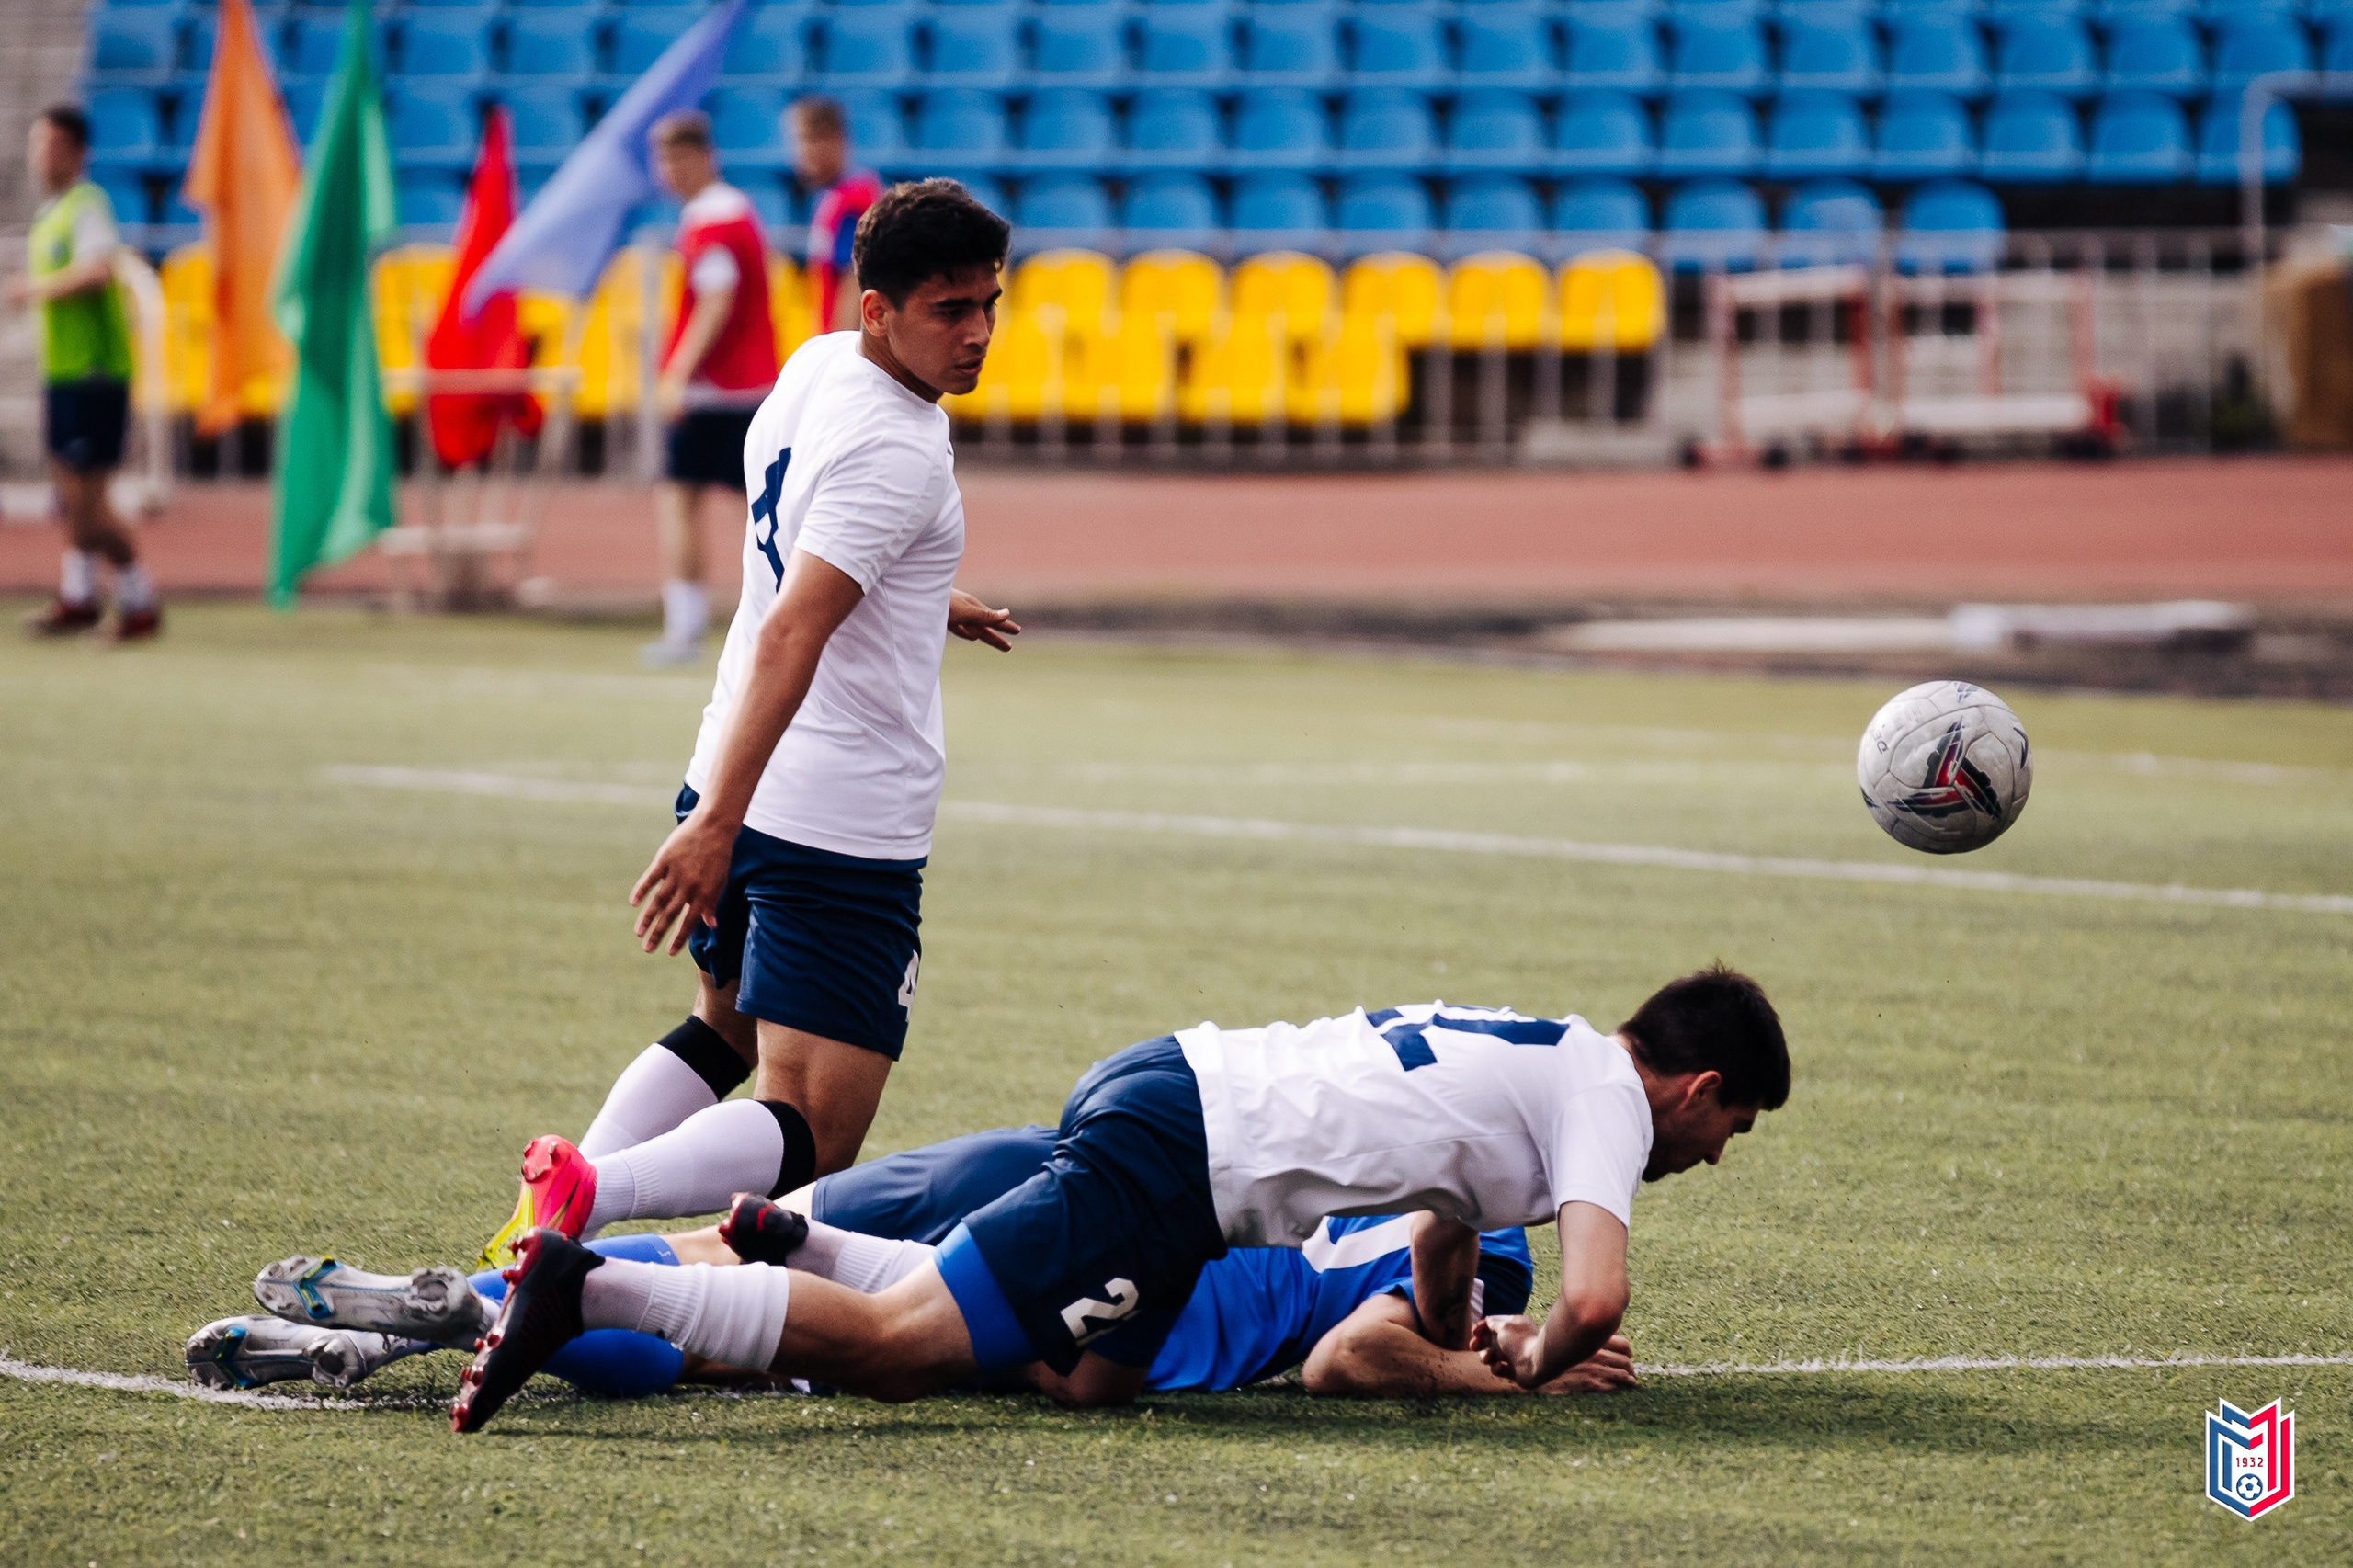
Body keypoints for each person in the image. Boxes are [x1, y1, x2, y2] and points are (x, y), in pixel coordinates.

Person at [452, 968, 1790, 1430]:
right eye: (1729, 1128)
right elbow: (1598, 1294)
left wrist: (1470, 1337)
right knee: (904, 1357)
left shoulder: (1542, 1056)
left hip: (1178, 1109)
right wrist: (1536, 1368)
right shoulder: (1613, 1099)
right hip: (1181, 1162)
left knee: (1092, 1379)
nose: (1715, 1156)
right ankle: (592, 1282)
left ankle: (809, 1240)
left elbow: (1446, 1235)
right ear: (1697, 1084)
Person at [478, 180, 1020, 1271]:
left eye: (987, 304)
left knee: (721, 1024)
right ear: (879, 309)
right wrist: (715, 826)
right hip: (835, 815)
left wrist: (918, 595)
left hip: (735, 755)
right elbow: (791, 630)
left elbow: (805, 549)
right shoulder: (901, 448)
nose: (975, 333)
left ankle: (538, 1230)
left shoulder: (818, 361)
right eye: (948, 308)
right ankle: (596, 1196)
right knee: (814, 1120)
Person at [190, 1129, 1638, 1400]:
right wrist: (1496, 1369)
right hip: (1122, 1297)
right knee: (774, 1343)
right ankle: (485, 1306)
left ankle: (418, 1321)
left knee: (807, 1250)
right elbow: (1350, 1354)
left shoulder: (1412, 1158)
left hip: (1101, 1176)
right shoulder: (1491, 1249)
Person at [11, 104, 159, 642]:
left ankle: (140, 599)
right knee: (69, 498)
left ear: (76, 152)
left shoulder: (86, 206)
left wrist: (32, 290)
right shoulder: (51, 214)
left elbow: (98, 273)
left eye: (49, 145)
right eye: (35, 145)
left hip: (95, 375)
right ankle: (78, 596)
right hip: (65, 374)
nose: (37, 157)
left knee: (88, 510)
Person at [641, 110, 780, 667]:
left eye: (675, 158)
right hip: (749, 384)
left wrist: (678, 371)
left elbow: (717, 300)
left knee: (681, 500)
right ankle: (771, 622)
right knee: (762, 510)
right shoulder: (737, 213)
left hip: (715, 389)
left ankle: (688, 627)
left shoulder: (711, 221)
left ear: (702, 156)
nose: (667, 171)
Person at [789, 96, 881, 335]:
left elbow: (853, 282)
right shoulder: (833, 197)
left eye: (814, 138)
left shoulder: (853, 201)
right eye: (800, 140)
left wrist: (839, 350)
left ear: (840, 140)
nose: (805, 151)